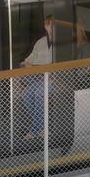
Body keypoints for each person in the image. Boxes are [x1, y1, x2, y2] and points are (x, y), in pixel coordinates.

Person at [18, 14, 60, 142]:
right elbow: (29, 59)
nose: (50, 26)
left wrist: (33, 65)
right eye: (48, 24)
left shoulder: (61, 42)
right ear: (45, 26)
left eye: (52, 24)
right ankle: (43, 127)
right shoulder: (40, 42)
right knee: (25, 95)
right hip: (38, 77)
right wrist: (24, 64)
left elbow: (51, 63)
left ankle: (34, 131)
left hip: (54, 79)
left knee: (39, 92)